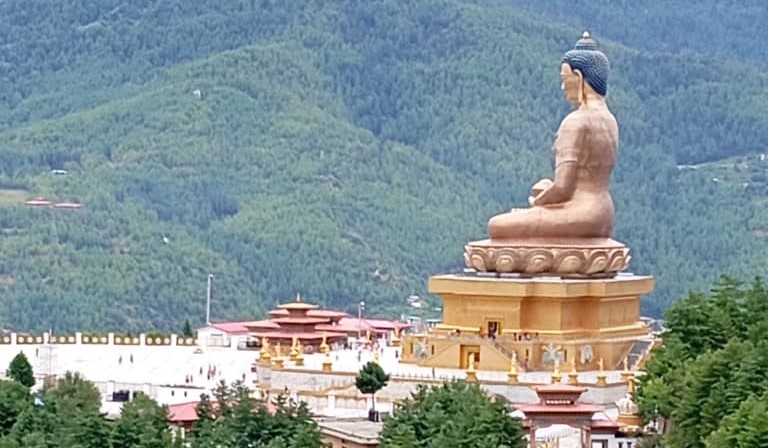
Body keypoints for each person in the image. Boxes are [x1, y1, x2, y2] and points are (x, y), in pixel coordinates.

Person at [488, 32, 617, 240]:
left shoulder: (576, 121)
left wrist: (535, 205)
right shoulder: (610, 120)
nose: (563, 87)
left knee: (496, 226)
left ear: (579, 77)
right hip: (604, 213)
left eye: (565, 80)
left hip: (581, 213)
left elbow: (563, 189)